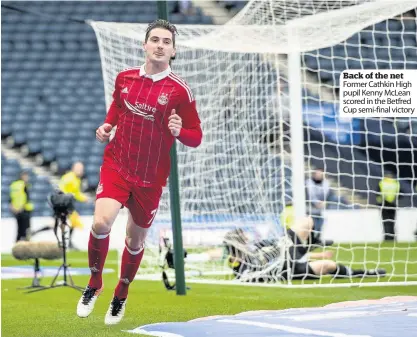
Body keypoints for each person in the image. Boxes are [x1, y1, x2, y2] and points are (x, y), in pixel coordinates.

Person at [76, 19, 202, 325]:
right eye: (155, 40)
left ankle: (121, 291)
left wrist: (180, 130)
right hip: (118, 164)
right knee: (101, 222)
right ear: (144, 45)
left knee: (134, 242)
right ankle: (94, 283)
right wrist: (108, 127)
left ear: (173, 51)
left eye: (166, 42)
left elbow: (196, 136)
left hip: (151, 177)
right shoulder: (125, 78)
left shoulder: (180, 91)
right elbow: (117, 109)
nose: (160, 45)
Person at [223, 217, 386, 283]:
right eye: (243, 239)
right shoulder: (238, 262)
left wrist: (314, 253)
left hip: (288, 251)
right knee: (328, 265)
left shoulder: (258, 245)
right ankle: (365, 273)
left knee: (307, 221)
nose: (248, 239)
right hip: (288, 269)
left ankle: (312, 241)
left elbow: (277, 243)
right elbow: (242, 273)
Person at [59, 161, 89, 249]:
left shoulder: (76, 179)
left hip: (68, 204)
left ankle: (67, 242)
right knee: (70, 222)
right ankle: (66, 243)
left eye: (81, 169)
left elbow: (76, 193)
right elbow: (61, 189)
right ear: (73, 168)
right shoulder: (69, 178)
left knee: (73, 222)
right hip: (63, 204)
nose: (80, 171)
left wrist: (84, 198)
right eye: (78, 169)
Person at [306, 167, 330, 241]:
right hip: (310, 208)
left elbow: (325, 194)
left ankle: (317, 239)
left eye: (321, 174)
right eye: (318, 173)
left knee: (320, 225)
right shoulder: (309, 182)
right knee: (311, 224)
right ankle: (310, 239)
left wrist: (322, 202)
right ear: (314, 174)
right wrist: (316, 202)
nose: (319, 175)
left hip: (320, 208)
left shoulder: (326, 182)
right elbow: (310, 194)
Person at [9, 170, 34, 242]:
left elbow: (11, 198)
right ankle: (25, 246)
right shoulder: (25, 185)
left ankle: (17, 245)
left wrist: (13, 207)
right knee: (26, 230)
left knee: (19, 230)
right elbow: (26, 198)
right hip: (25, 210)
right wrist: (21, 207)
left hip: (16, 210)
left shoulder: (13, 185)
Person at [376, 172, 400, 241]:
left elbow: (378, 193)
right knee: (392, 221)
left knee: (385, 222)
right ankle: (393, 237)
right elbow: (400, 193)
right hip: (393, 204)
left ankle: (387, 237)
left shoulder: (382, 183)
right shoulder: (395, 183)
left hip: (384, 204)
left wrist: (379, 202)